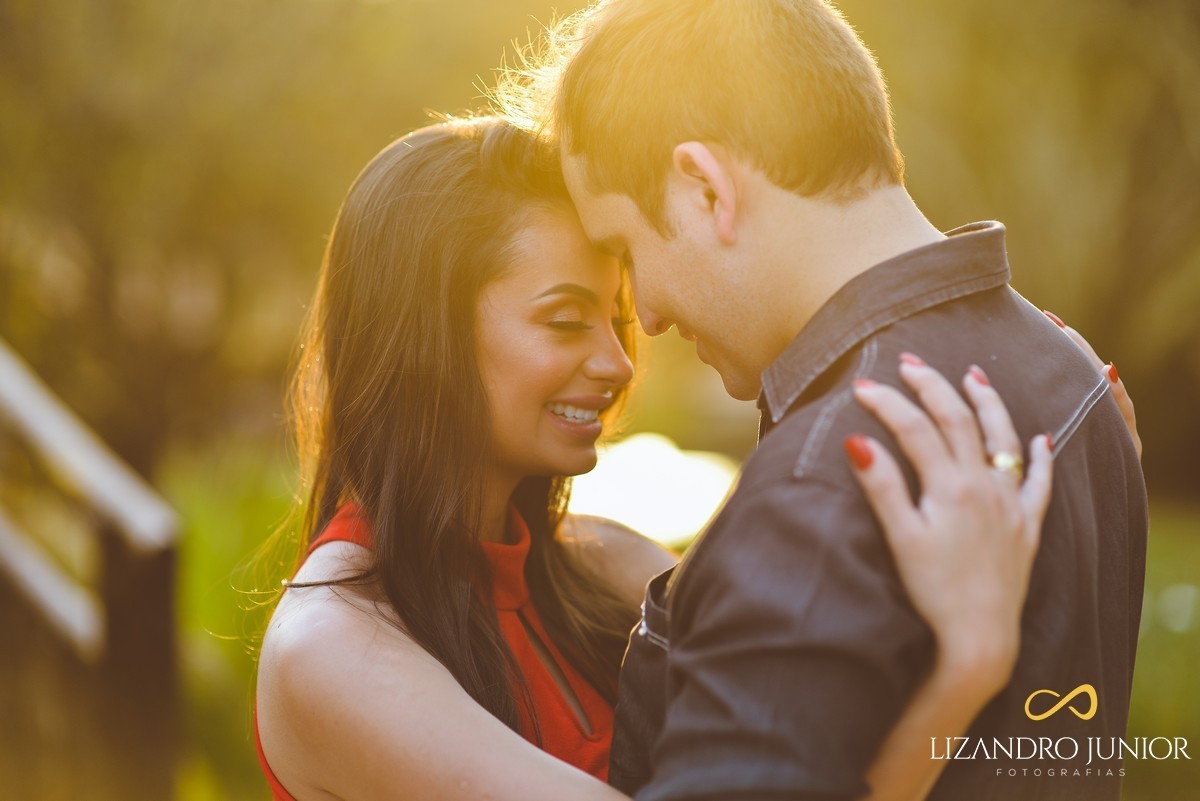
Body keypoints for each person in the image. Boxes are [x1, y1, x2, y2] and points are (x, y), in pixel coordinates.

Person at [253, 114, 1140, 801]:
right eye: (566, 319)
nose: (615, 361)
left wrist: (1065, 443)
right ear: (422, 340)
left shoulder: (610, 564)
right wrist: (964, 670)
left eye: (617, 314)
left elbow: (798, 723)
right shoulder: (334, 649)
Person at [495, 1, 1149, 799]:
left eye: (628, 249)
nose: (651, 314)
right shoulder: (1068, 370)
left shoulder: (827, 483)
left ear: (705, 188)